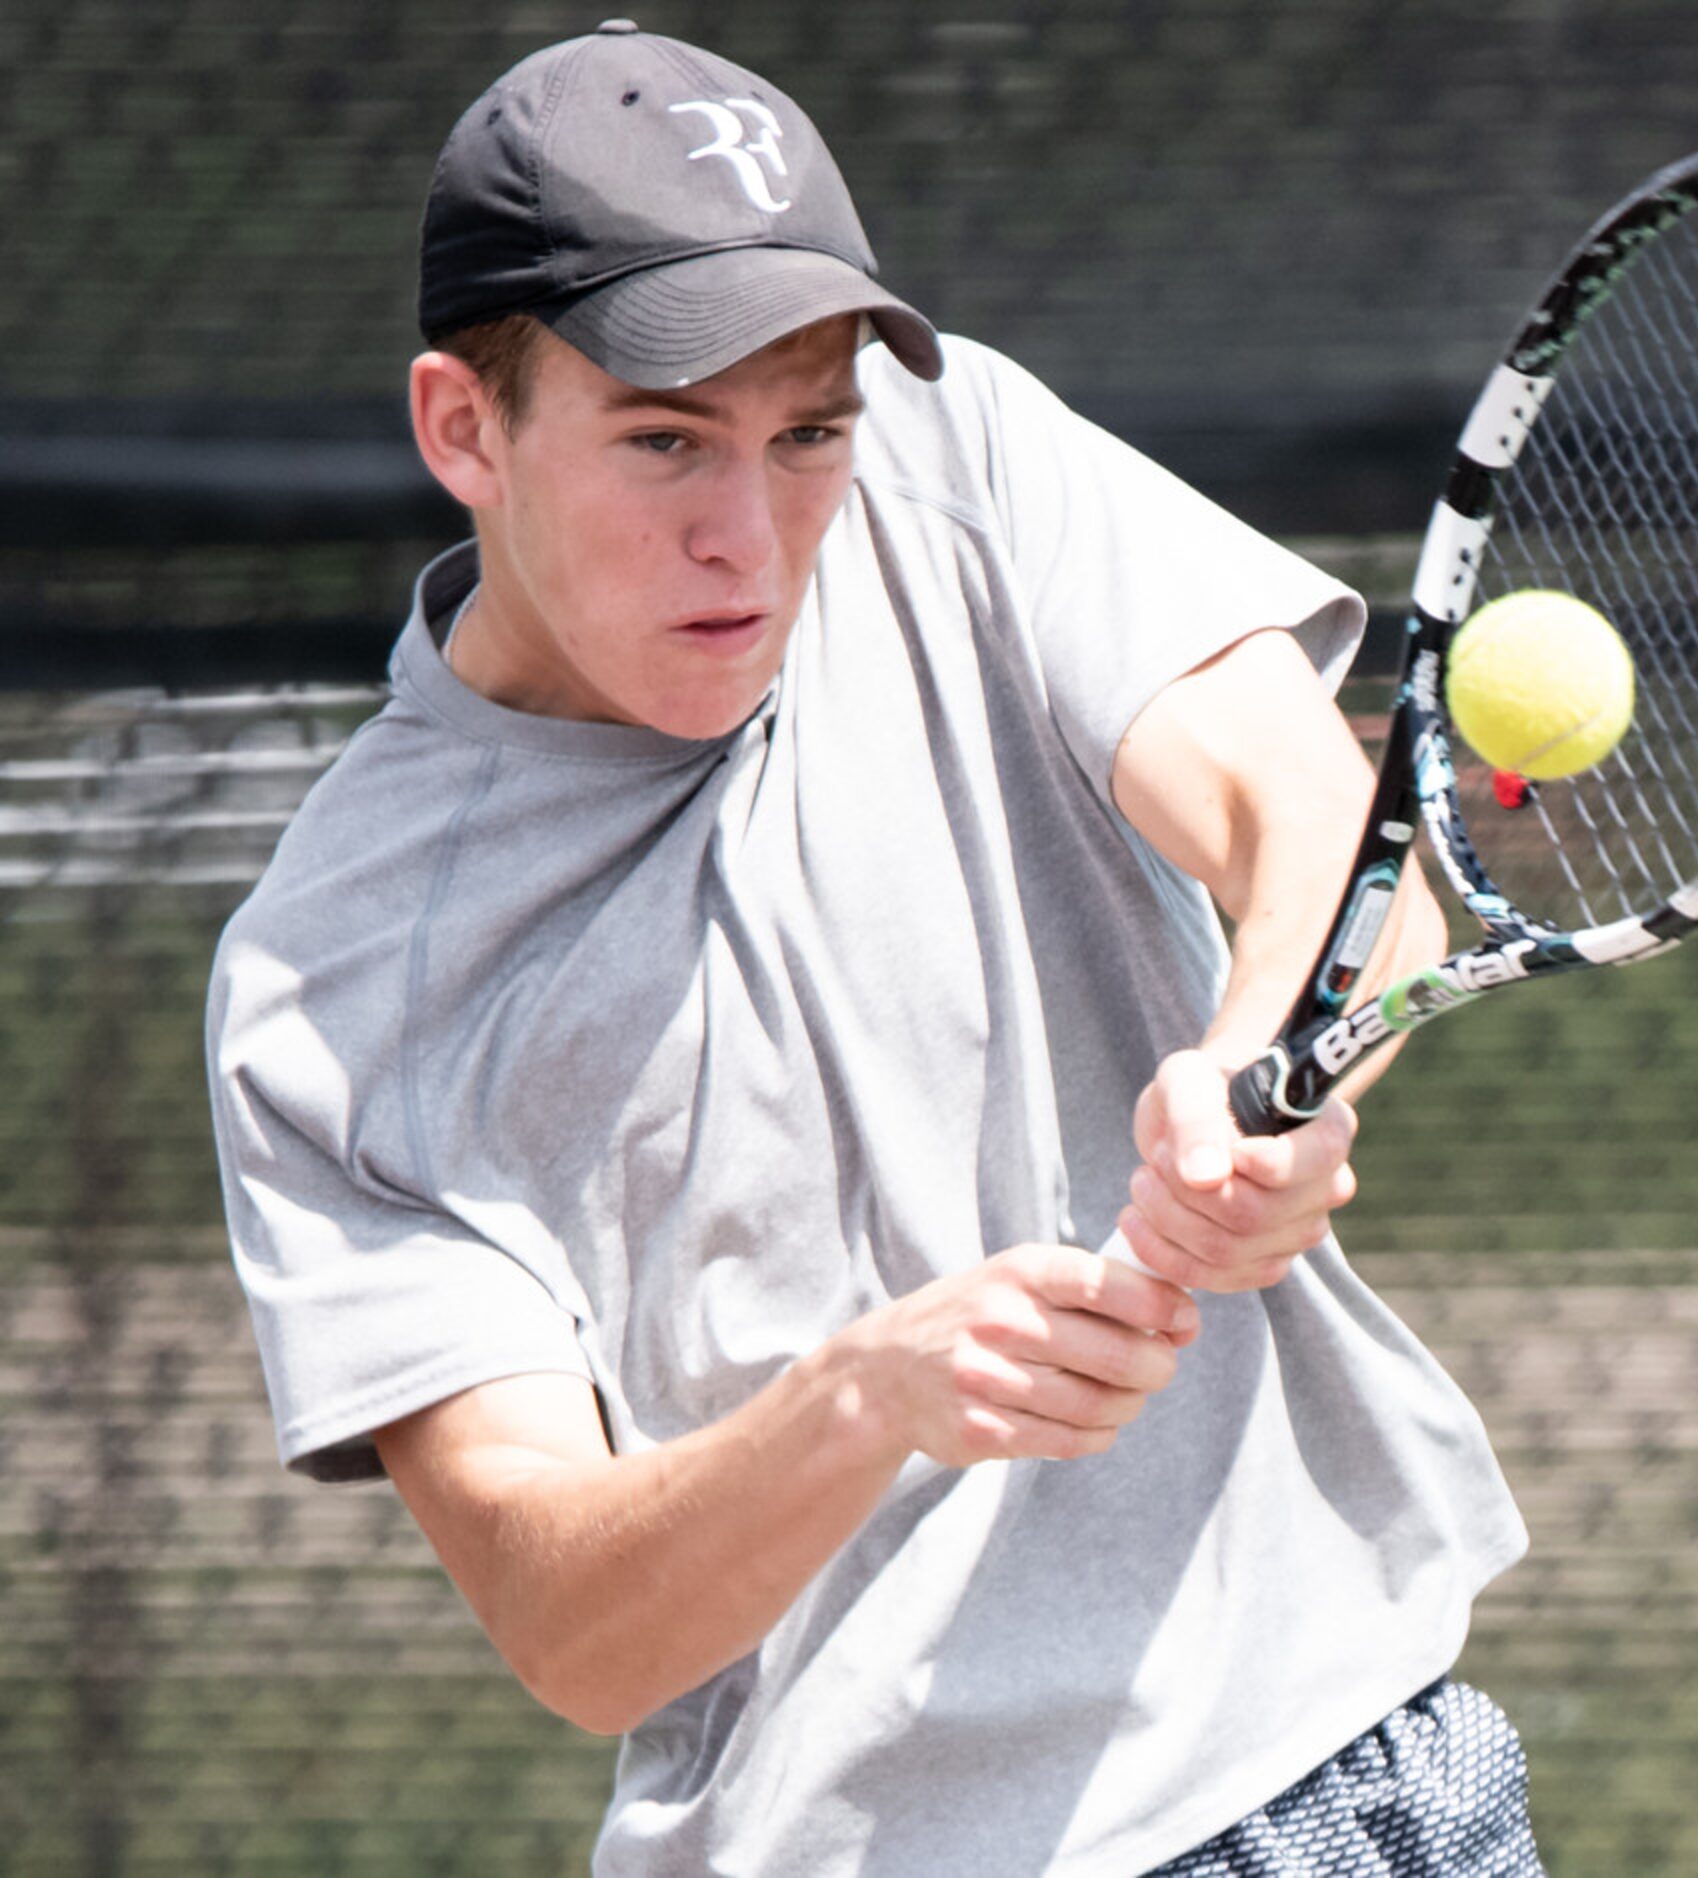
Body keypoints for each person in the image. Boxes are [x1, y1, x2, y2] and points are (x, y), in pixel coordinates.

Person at [207, 22, 1538, 1875]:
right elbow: (571, 1622)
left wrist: (1266, 1064)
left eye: (806, 435)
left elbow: (1323, 831)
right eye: (664, 441)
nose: (749, 536)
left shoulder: (955, 451)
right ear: (466, 427)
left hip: (1331, 1779)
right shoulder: (330, 985)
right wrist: (865, 1395)